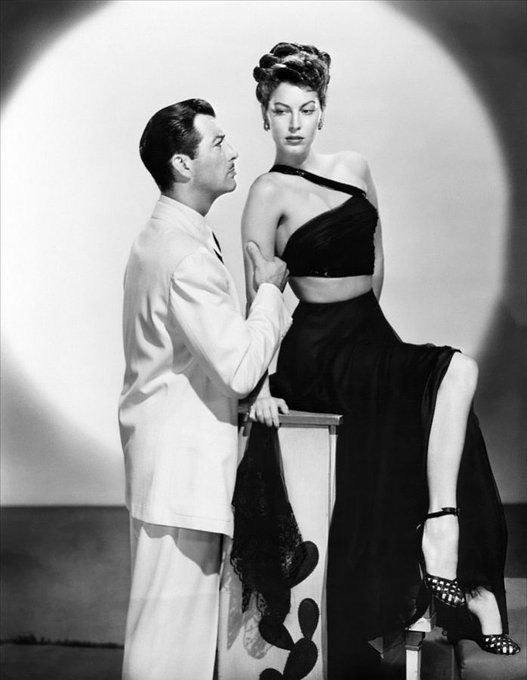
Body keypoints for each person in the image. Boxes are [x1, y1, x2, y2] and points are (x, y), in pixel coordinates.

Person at [233, 43, 520, 678]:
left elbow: (377, 260)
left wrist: (376, 345)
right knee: (455, 371)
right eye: (281, 110)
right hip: (316, 350)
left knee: (448, 391)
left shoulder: (355, 167)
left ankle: (449, 548)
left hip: (369, 334)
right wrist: (259, 384)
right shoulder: (266, 192)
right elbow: (258, 296)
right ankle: (447, 545)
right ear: (264, 114)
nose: (294, 124)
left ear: (323, 110)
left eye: (307, 109)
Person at [118, 98, 292, 680]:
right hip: (182, 473)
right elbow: (238, 369)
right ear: (183, 164)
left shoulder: (162, 237)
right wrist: (269, 293)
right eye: (218, 142)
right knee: (170, 649)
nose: (233, 150)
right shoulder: (186, 253)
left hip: (168, 471)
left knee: (167, 641)